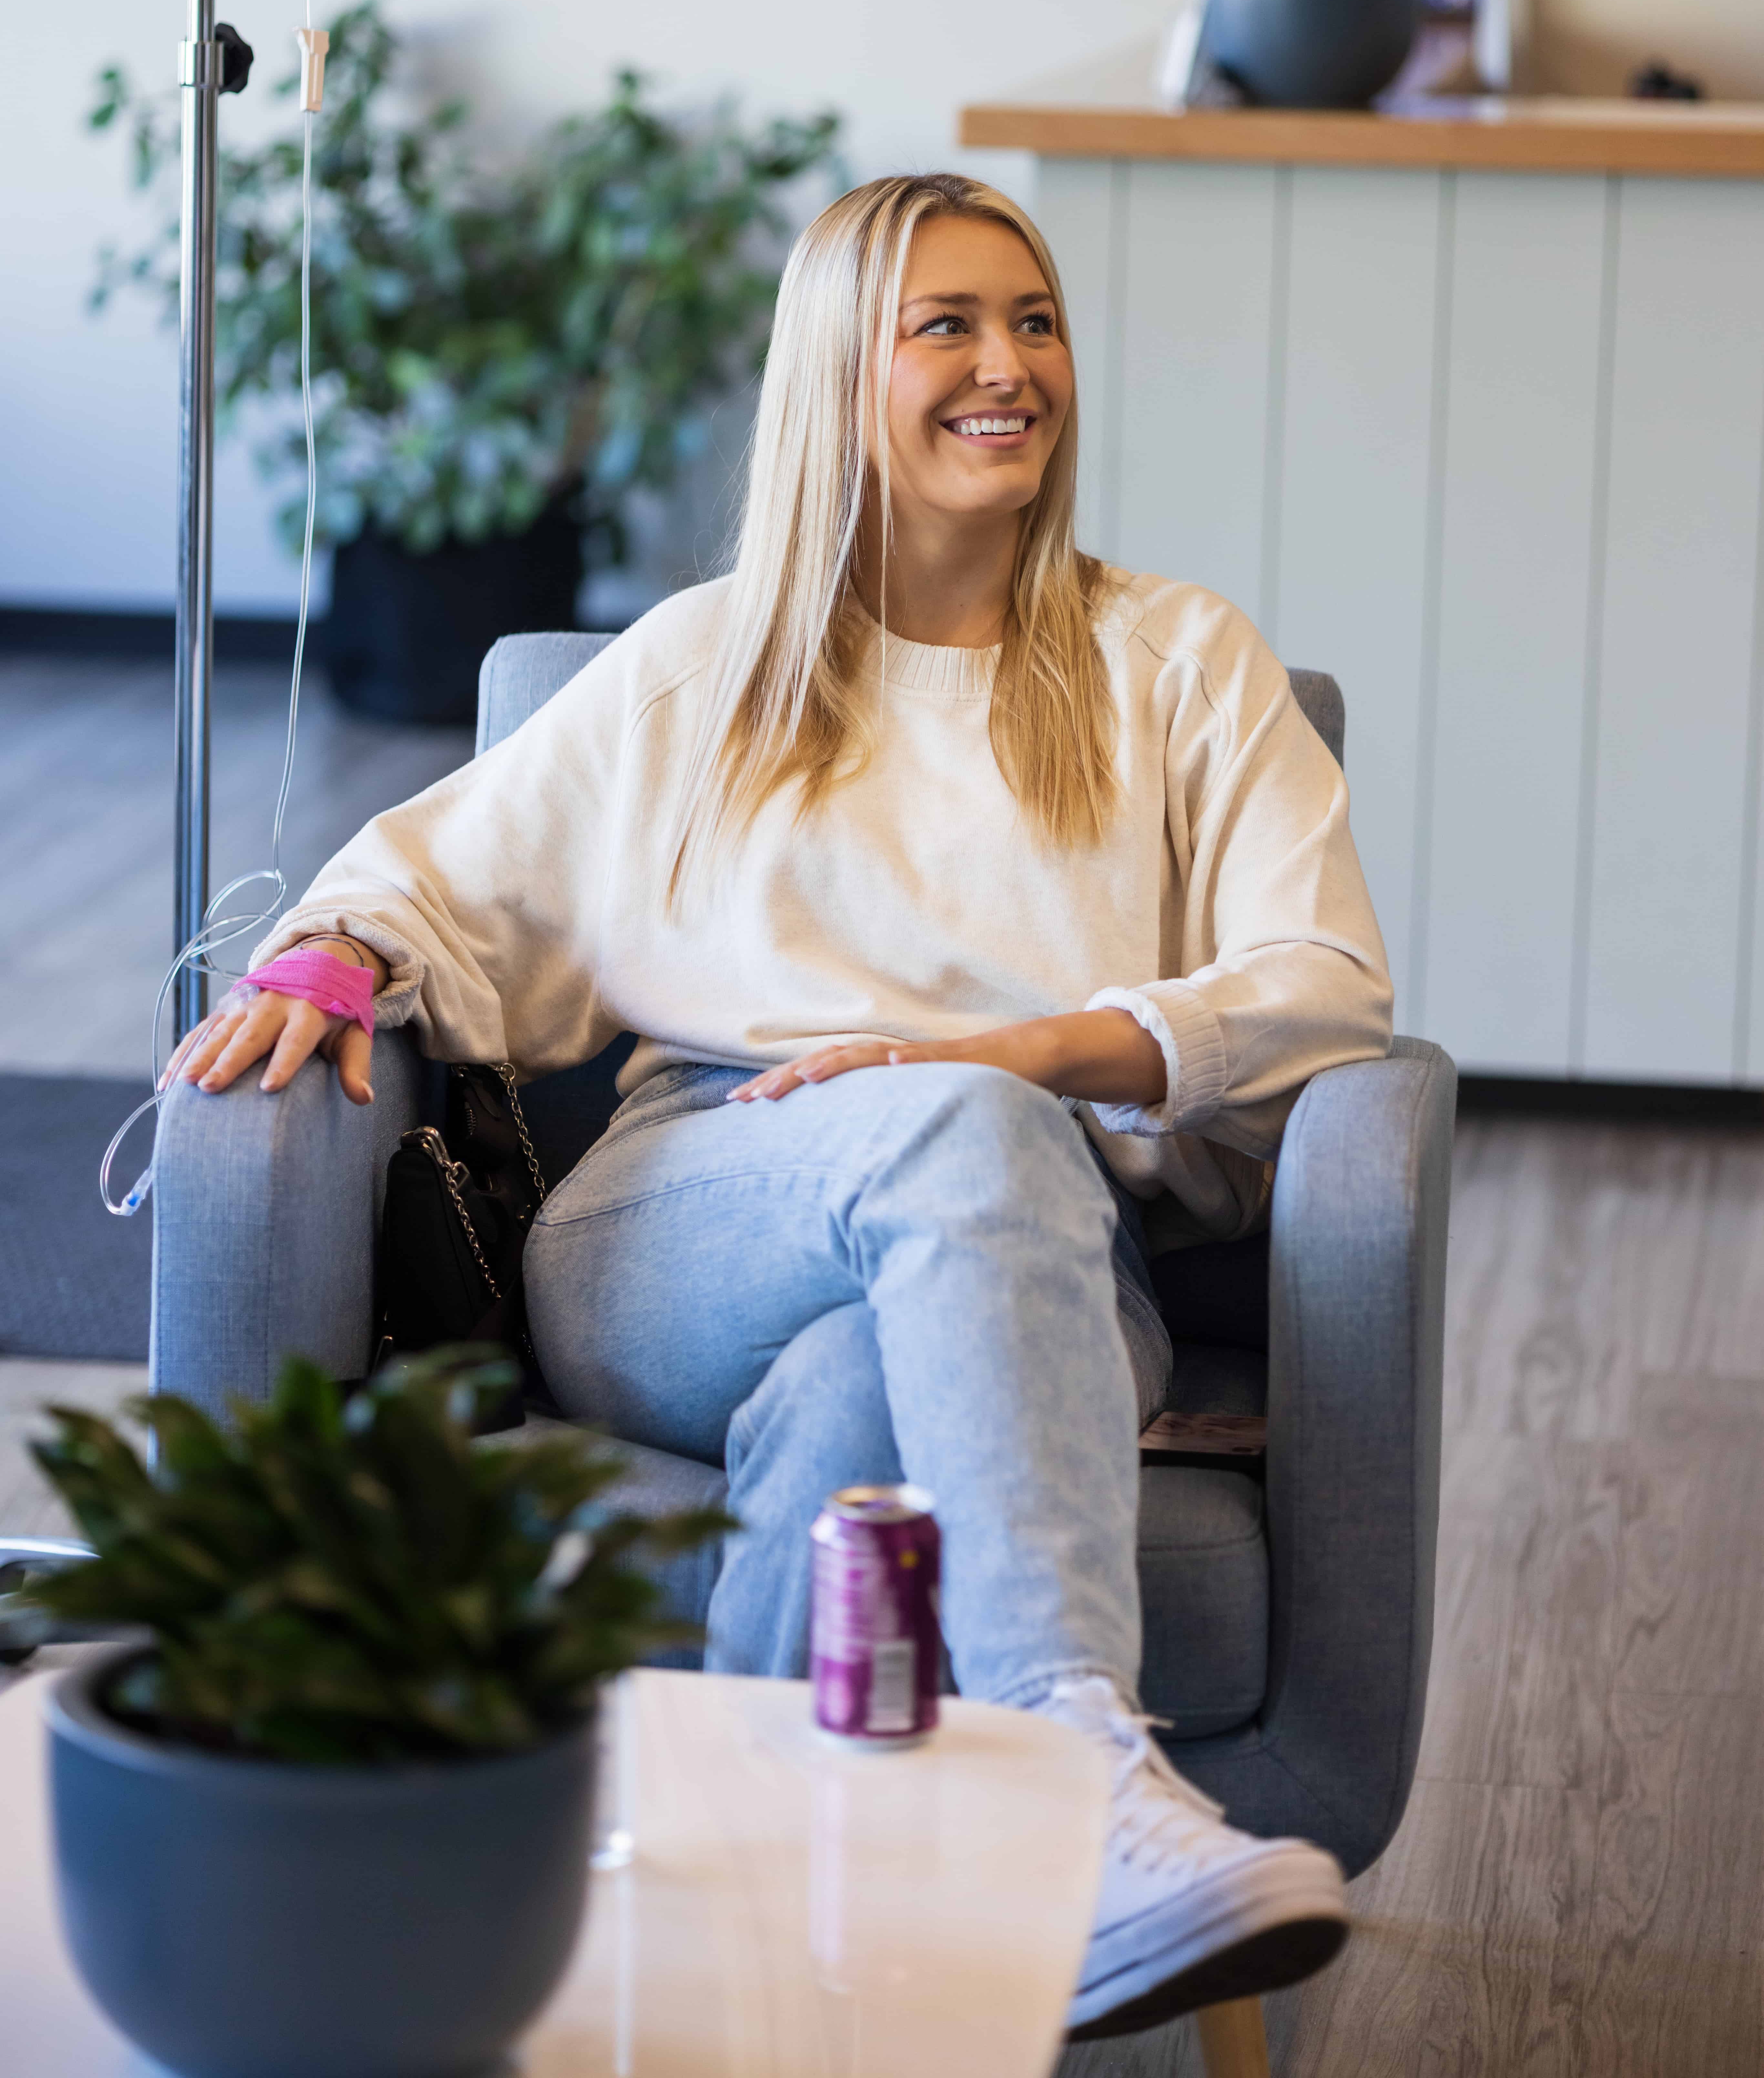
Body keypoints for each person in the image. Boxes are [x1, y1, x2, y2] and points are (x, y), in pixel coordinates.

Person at [165, 173, 1393, 2036]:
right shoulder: (704, 664)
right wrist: (332, 954)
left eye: (1035, 321)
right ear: (838, 374)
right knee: (962, 1139)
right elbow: (433, 876)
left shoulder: (1179, 666)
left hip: (1044, 1254)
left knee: (858, 1404)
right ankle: (1083, 1782)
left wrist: (1026, 1056)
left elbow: (1325, 985)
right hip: (686, 1221)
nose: (1008, 366)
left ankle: (746, 1964)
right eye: (946, 326)